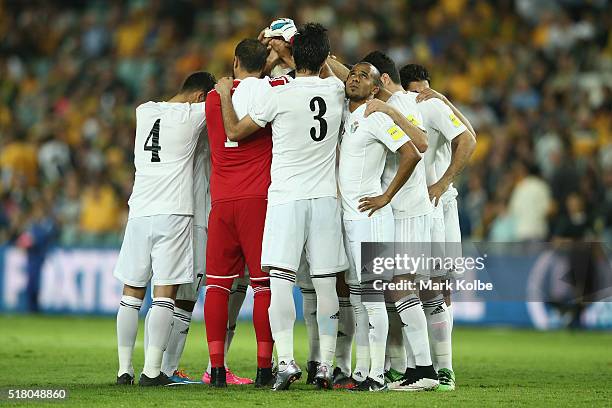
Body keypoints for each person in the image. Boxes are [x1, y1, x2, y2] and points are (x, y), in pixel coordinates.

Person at [216, 23, 347, 391]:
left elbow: (236, 132)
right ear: (324, 57)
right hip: (324, 199)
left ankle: (286, 361)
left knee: (280, 281)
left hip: (286, 198)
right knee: (324, 286)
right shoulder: (337, 90)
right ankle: (324, 366)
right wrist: (312, 55)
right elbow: (348, 74)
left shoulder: (279, 92)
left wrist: (226, 95)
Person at [113, 71, 215, 386]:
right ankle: (153, 371)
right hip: (174, 212)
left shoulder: (144, 110)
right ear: (200, 96)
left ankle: (124, 369)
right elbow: (225, 98)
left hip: (139, 210)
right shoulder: (193, 114)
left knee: (130, 293)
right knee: (165, 295)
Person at [204, 38, 290, 388]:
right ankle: (263, 369)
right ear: (264, 62)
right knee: (264, 286)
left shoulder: (212, 97)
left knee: (217, 287)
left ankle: (217, 370)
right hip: (258, 201)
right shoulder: (275, 91)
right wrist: (276, 57)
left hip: (221, 203)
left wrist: (228, 89)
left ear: (235, 60)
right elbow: (295, 77)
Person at [339, 61, 423, 391]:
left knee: (372, 299)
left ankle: (376, 376)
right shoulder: (348, 118)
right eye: (352, 74)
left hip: (371, 220)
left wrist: (386, 195)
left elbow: (412, 153)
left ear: (376, 88)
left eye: (363, 76)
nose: (354, 79)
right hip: (350, 219)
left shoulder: (377, 117)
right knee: (361, 299)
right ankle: (365, 372)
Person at [400, 63, 477, 391]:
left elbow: (469, 139)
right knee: (417, 287)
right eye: (420, 90)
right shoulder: (404, 107)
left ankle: (443, 368)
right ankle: (418, 366)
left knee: (435, 287)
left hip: (438, 206)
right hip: (425, 207)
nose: (425, 95)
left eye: (428, 89)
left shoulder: (431, 105)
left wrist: (443, 182)